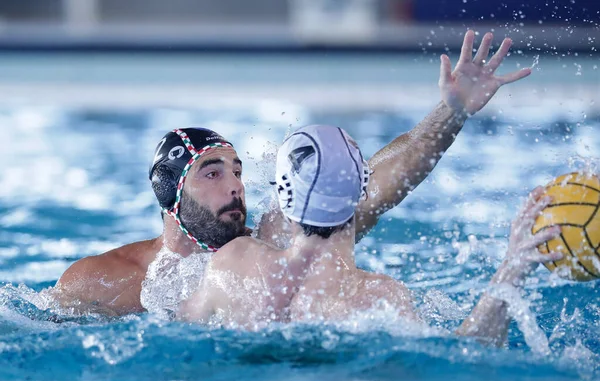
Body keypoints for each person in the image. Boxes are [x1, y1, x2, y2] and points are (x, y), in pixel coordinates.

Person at [53, 30, 532, 316]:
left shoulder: (281, 233)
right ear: (170, 194)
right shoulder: (101, 282)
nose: (236, 184)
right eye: (212, 173)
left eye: (237, 171)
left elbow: (379, 181)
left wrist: (450, 113)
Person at [179, 125, 563, 346]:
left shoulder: (231, 262)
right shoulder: (378, 298)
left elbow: (180, 327)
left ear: (282, 196)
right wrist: (512, 269)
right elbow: (474, 352)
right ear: (363, 191)